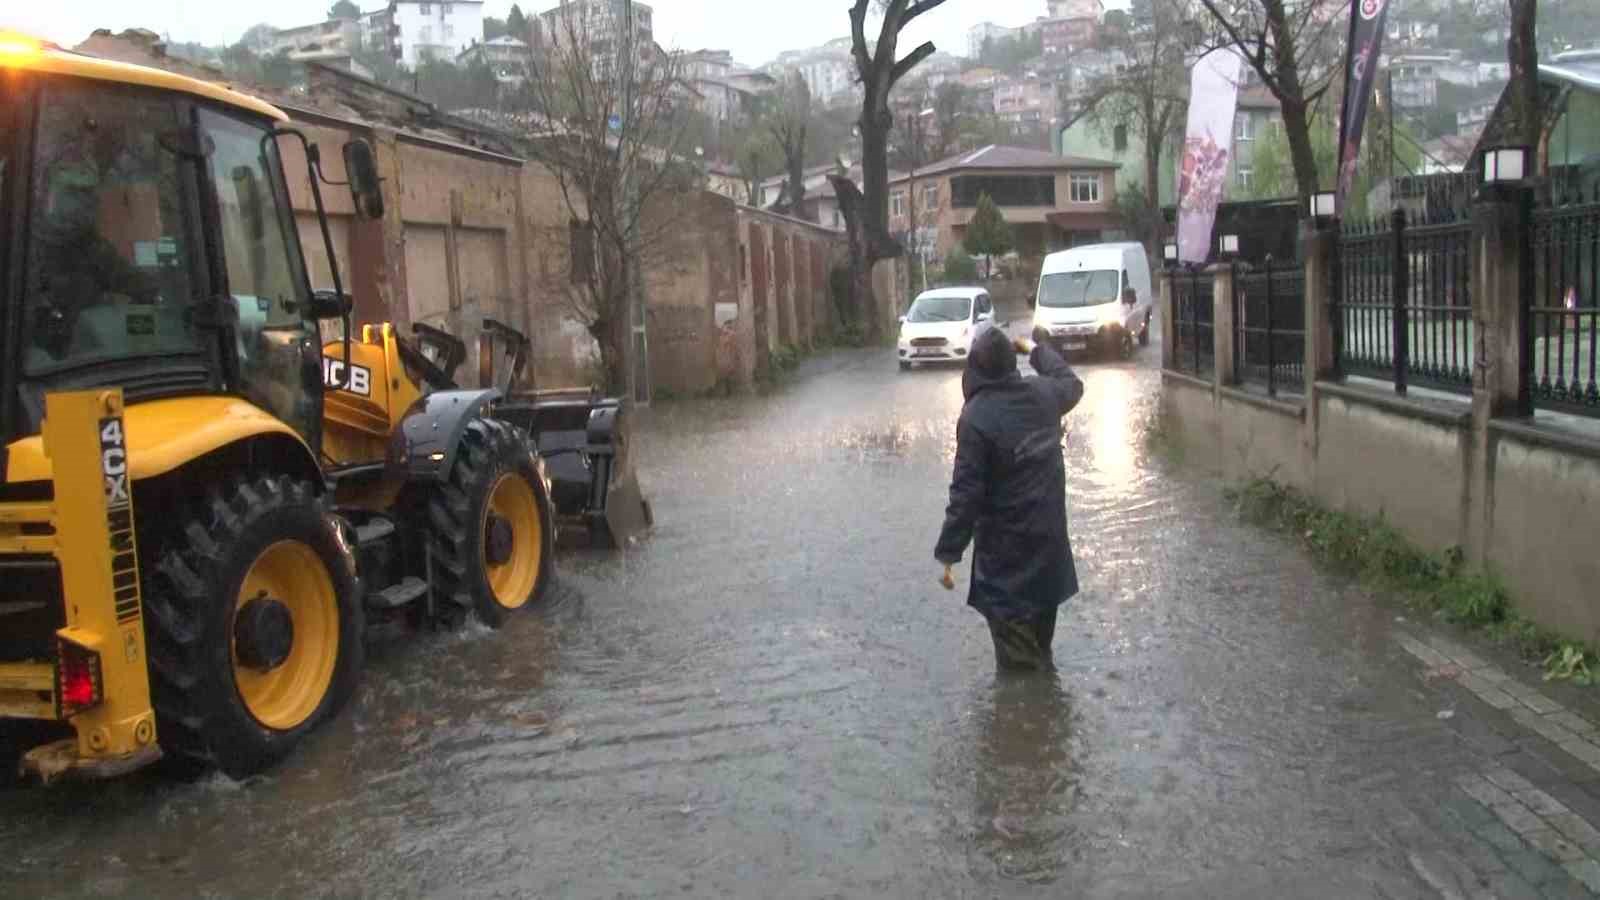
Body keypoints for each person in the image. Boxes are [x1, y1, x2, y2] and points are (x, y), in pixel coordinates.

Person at [935, 324, 1085, 672]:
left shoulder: (975, 419)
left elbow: (966, 494)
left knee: (1020, 674)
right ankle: (1049, 719)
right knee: (1038, 656)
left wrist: (948, 552)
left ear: (974, 368)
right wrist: (1036, 348)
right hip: (1049, 560)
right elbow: (1071, 382)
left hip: (1006, 572)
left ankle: (1031, 722)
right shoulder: (1045, 395)